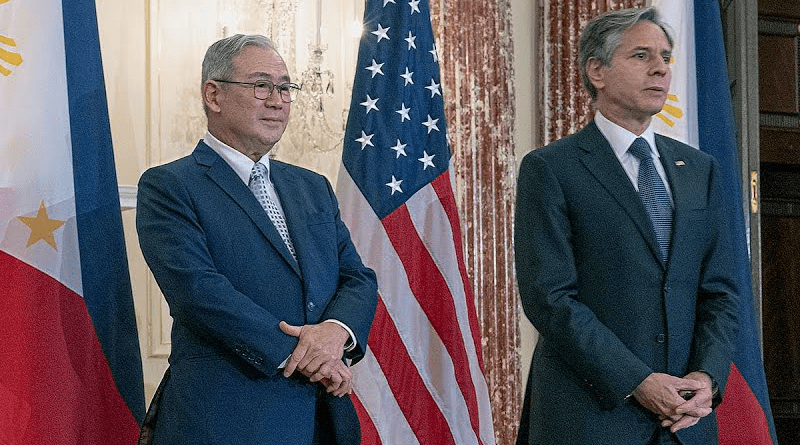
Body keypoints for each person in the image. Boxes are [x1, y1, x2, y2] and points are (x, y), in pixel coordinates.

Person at [136, 34, 378, 445]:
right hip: (227, 419)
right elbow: (200, 292)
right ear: (213, 95)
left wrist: (336, 332)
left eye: (285, 88)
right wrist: (308, 355)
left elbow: (357, 278)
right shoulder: (169, 186)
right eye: (261, 85)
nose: (277, 101)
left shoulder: (312, 187)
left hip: (325, 419)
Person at [514, 7, 739, 445]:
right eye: (641, 55)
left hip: (685, 422)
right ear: (597, 70)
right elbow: (550, 299)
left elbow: (721, 291)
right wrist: (638, 380)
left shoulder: (699, 169)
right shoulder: (551, 168)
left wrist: (707, 377)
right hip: (591, 417)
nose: (660, 68)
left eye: (666, 57)